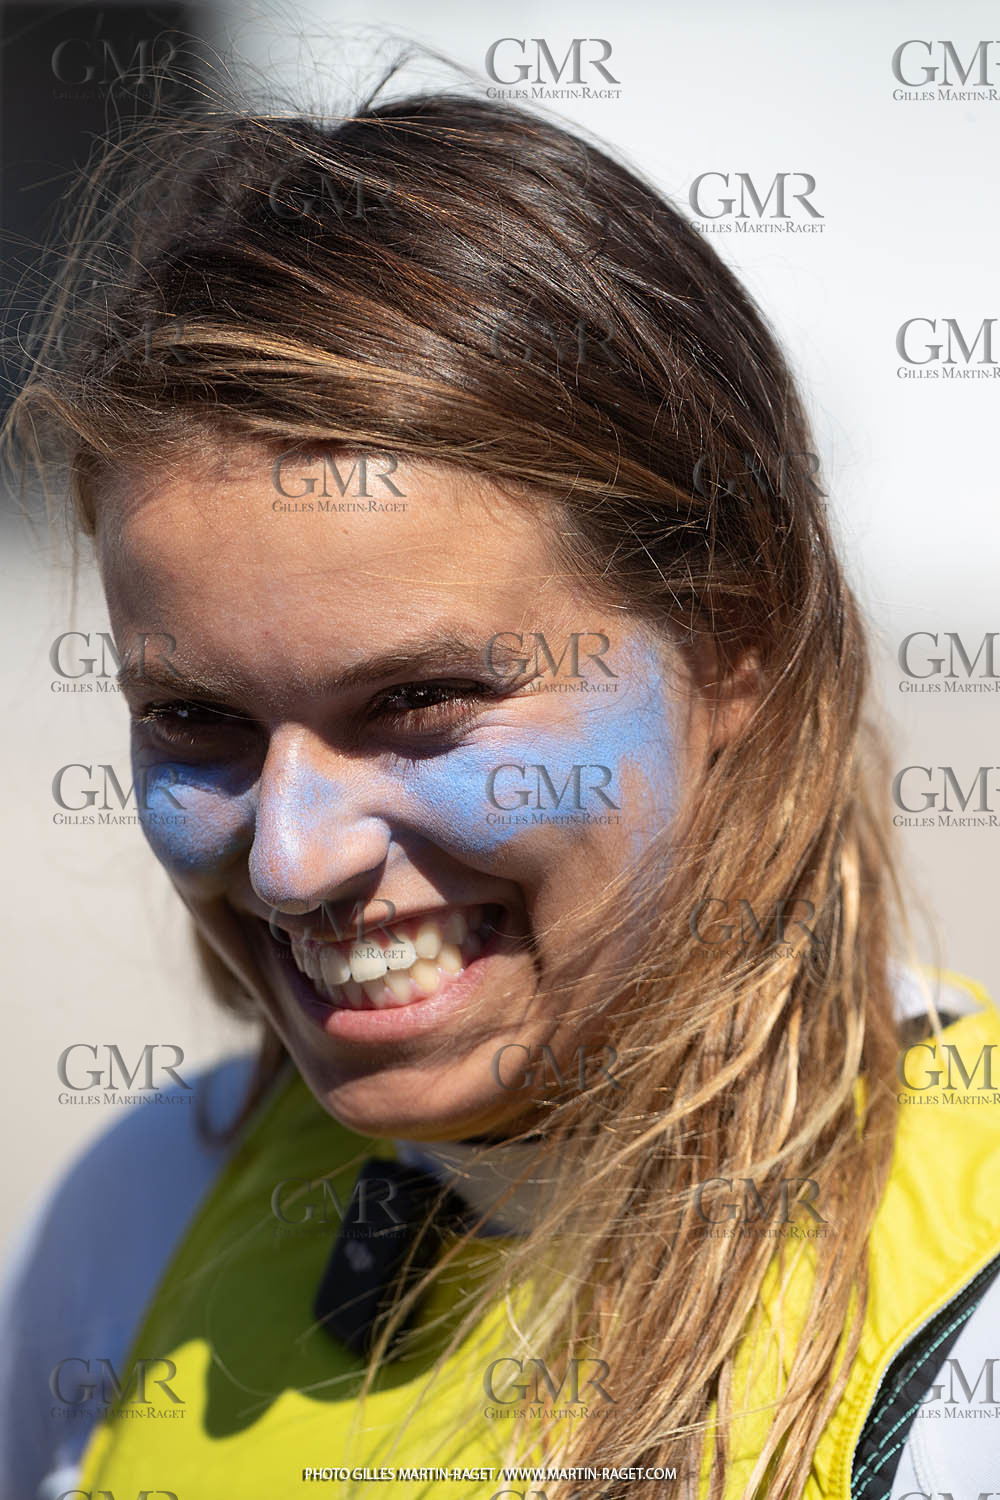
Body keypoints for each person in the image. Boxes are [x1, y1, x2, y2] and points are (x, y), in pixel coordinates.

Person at [4, 87, 999, 1500]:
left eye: (418, 705)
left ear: (730, 651)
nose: (289, 860)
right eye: (196, 721)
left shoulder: (968, 1318)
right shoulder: (138, 1220)